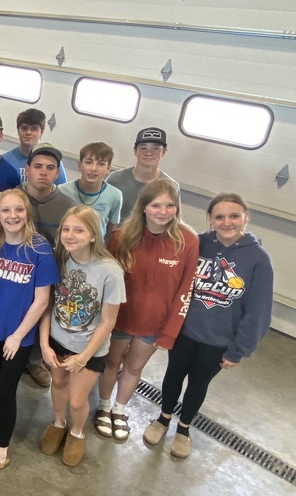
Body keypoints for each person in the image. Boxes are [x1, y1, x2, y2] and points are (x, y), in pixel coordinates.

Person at [143, 193, 273, 458]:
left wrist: (238, 350)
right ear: (210, 219)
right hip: (185, 331)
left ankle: (183, 428)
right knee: (174, 375)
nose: (227, 222)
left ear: (245, 218)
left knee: (198, 383)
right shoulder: (198, 243)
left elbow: (258, 310)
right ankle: (163, 418)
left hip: (219, 340)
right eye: (220, 216)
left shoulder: (258, 259)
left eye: (234, 216)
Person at [95, 179, 198, 442]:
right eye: (156, 205)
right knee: (111, 364)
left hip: (154, 324)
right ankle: (103, 407)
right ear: (143, 207)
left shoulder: (187, 241)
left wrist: (170, 332)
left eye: (170, 206)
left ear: (177, 208)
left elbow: (186, 290)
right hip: (120, 319)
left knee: (133, 368)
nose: (163, 212)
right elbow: (105, 279)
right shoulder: (122, 237)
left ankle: (120, 410)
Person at [0, 189, 58, 477]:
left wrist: (18, 335)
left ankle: (0, 453)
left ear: (27, 212)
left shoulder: (40, 249)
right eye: (6, 210)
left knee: (7, 391)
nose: (12, 216)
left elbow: (42, 300)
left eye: (18, 210)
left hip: (19, 336)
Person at [38, 206, 125, 467]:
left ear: (92, 235)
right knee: (59, 385)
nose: (70, 235)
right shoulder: (58, 260)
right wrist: (44, 344)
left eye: (78, 229)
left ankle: (76, 432)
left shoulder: (110, 270)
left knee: (77, 400)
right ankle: (58, 422)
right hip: (57, 340)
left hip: (89, 349)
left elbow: (108, 321)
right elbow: (47, 305)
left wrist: (83, 358)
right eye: (66, 228)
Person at [19, 142, 77, 388]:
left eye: (50, 168)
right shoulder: (12, 199)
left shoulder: (66, 206)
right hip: (13, 273)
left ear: (57, 173)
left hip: (48, 277)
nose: (43, 172)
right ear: (27, 169)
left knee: (42, 316)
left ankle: (33, 362)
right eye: (38, 166)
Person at [107, 127, 180, 223]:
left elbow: (174, 220)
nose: (149, 153)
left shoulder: (172, 186)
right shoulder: (115, 179)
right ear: (135, 151)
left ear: (164, 152)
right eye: (143, 148)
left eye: (156, 148)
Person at [59, 142, 123, 239]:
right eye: (88, 162)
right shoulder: (62, 191)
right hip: (67, 247)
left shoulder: (115, 196)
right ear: (79, 165)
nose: (93, 168)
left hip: (96, 251)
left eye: (101, 164)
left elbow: (111, 233)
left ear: (108, 168)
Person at [1, 109, 68, 184]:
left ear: (41, 132)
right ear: (18, 130)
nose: (28, 132)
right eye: (24, 128)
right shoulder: (4, 160)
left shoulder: (53, 161)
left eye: (34, 129)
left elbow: (61, 190)